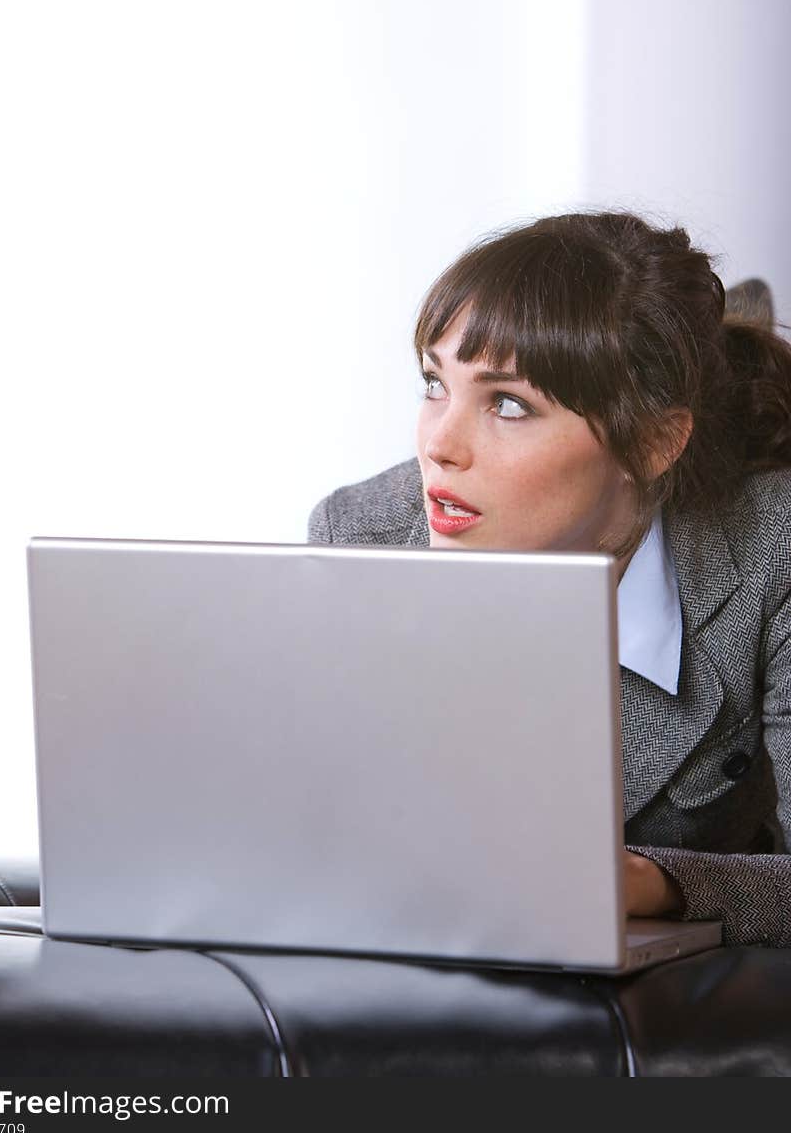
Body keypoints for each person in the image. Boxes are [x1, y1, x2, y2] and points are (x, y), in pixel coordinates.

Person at [308, 211, 791, 947]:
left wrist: (655, 884)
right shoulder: (358, 536)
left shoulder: (771, 552)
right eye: (434, 383)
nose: (438, 446)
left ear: (656, 441)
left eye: (508, 404)